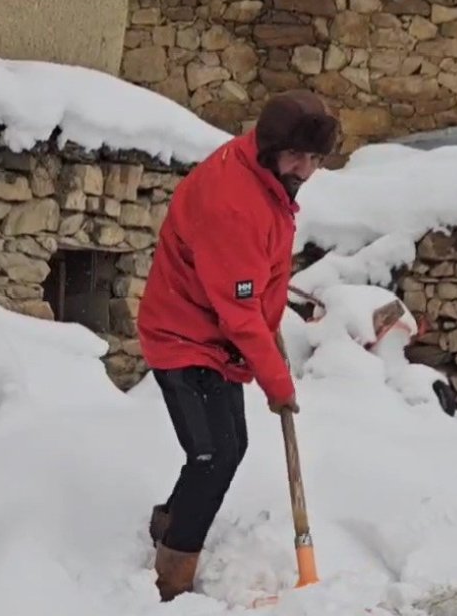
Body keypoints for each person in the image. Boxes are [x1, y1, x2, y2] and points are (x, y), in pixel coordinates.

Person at [135, 89, 339, 602]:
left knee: (227, 448)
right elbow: (238, 309)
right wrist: (277, 380)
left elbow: (255, 284)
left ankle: (168, 524)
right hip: (184, 336)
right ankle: (171, 578)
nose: (305, 169)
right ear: (270, 147)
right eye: (297, 155)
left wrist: (268, 325)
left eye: (315, 159)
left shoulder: (266, 180)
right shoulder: (234, 203)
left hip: (217, 336)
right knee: (213, 455)